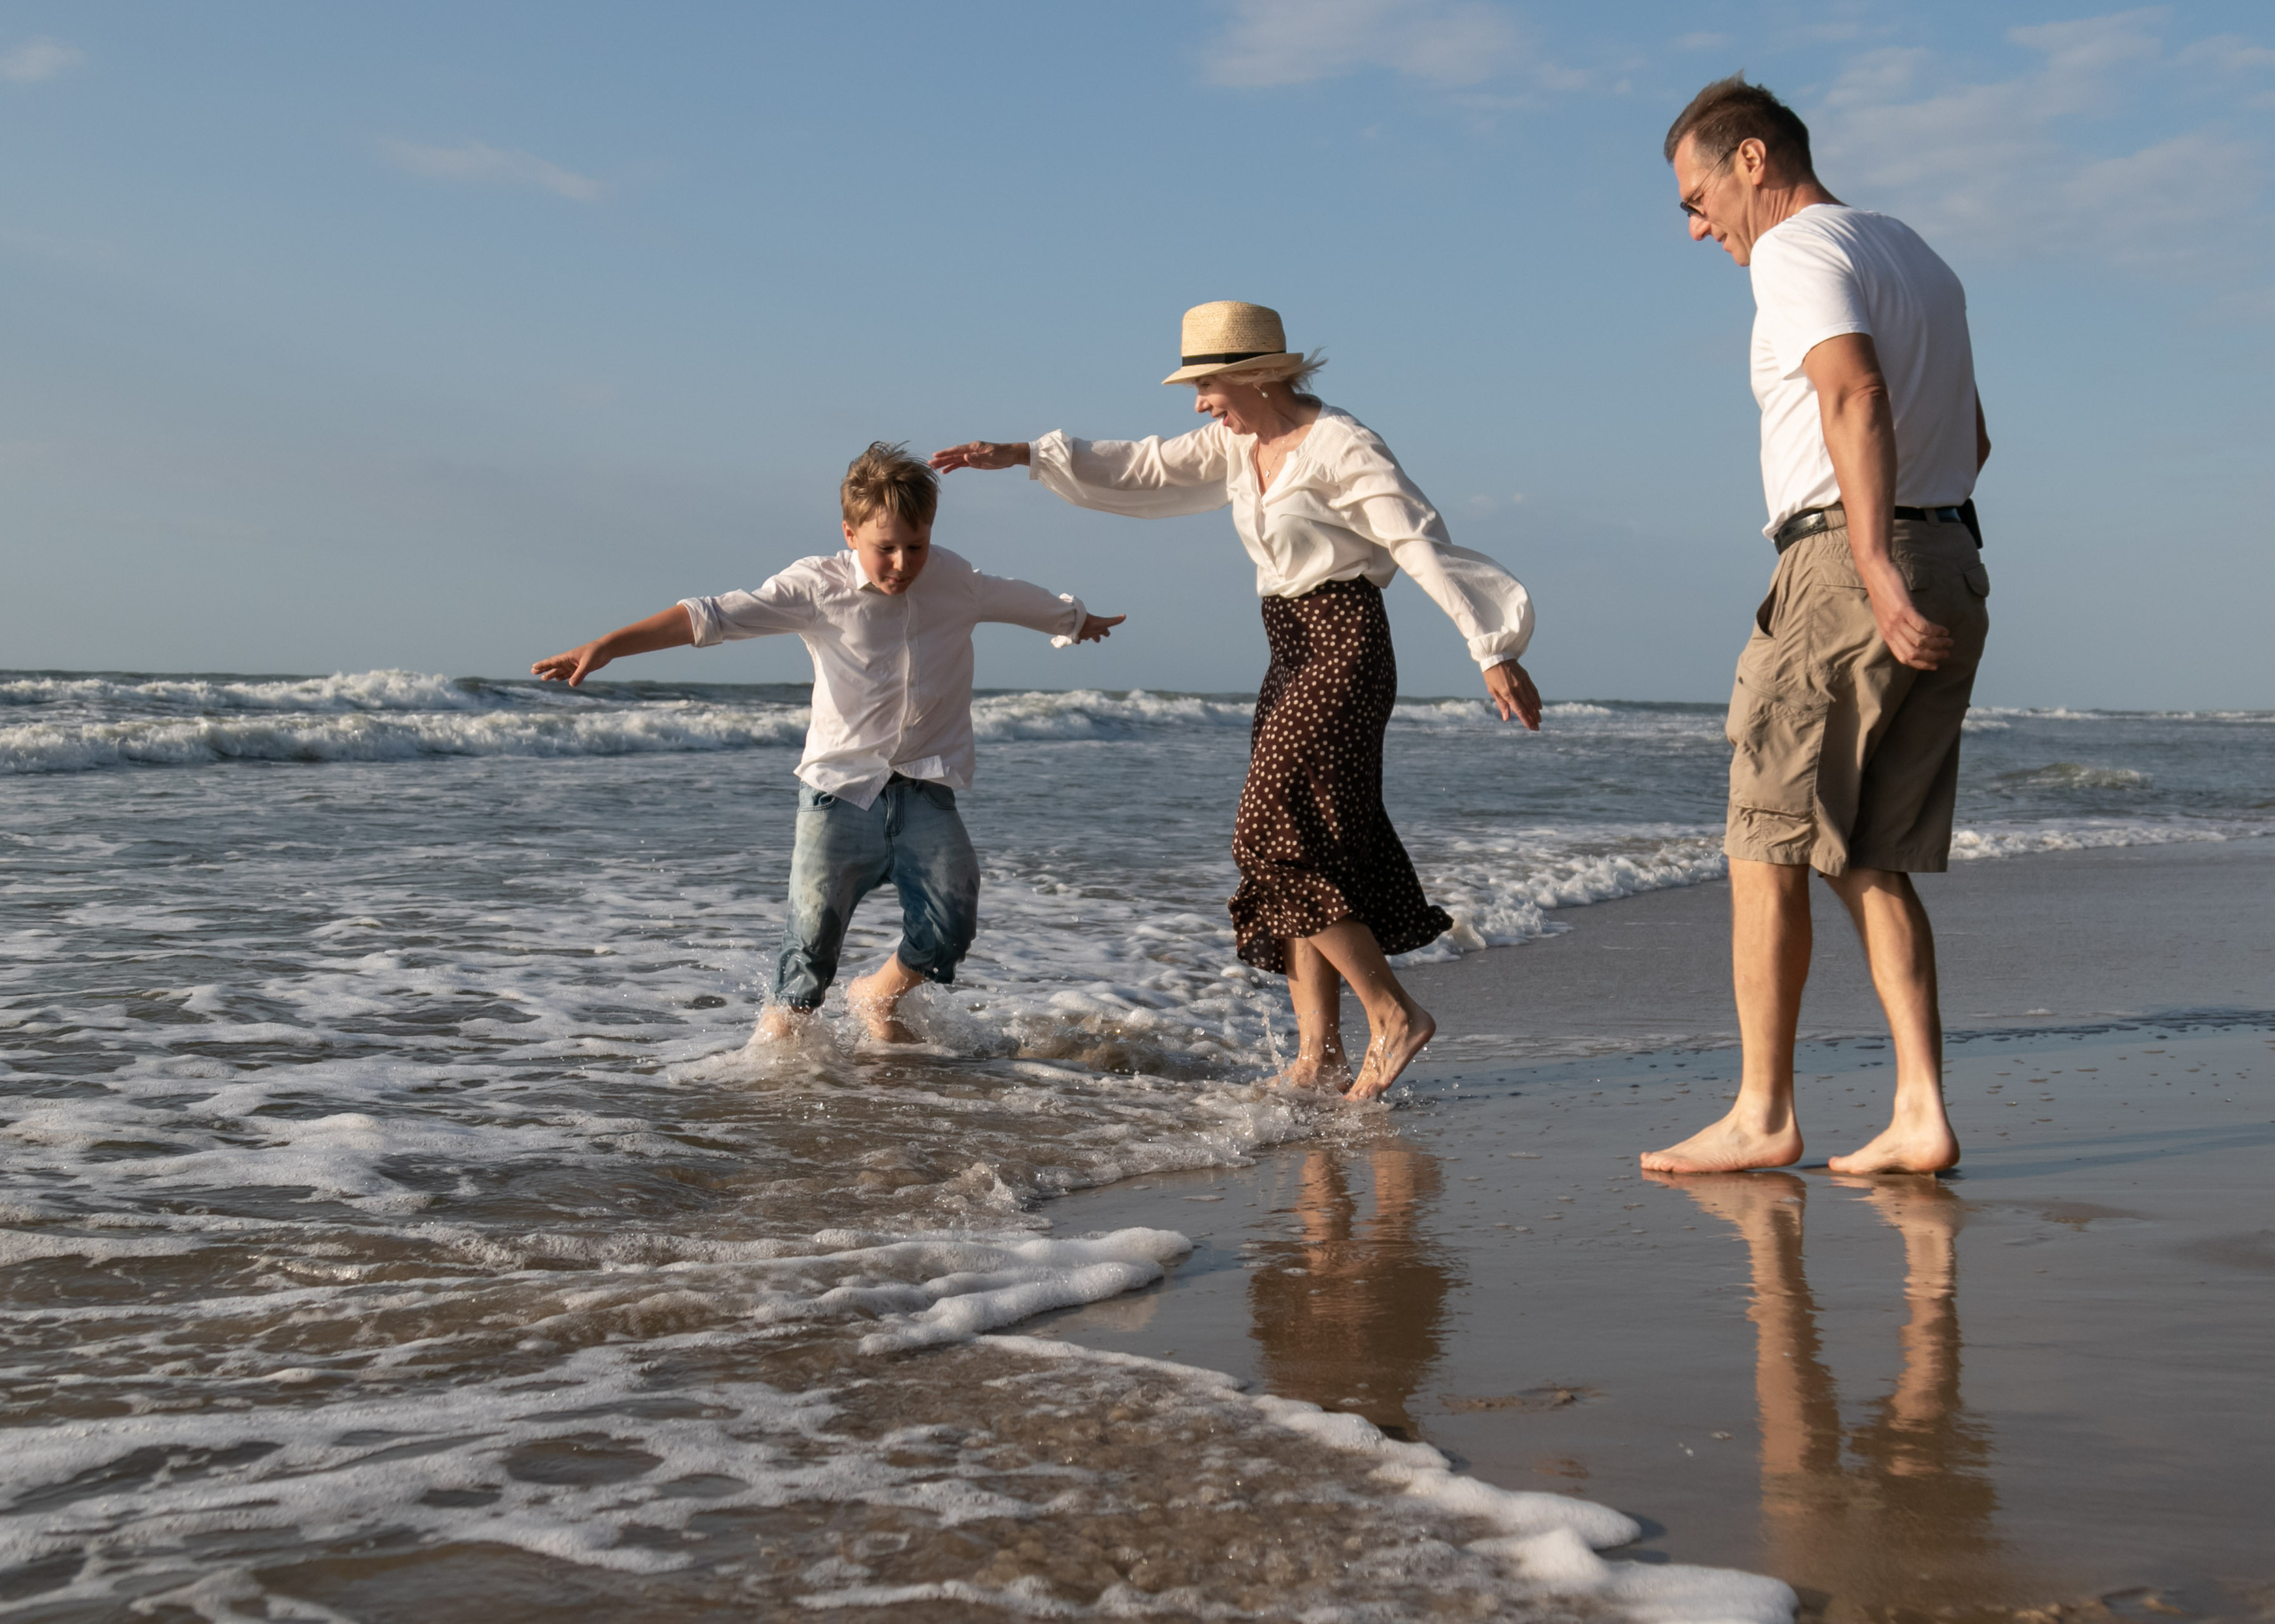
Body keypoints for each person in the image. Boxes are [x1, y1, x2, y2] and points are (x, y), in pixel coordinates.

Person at [931, 301, 1541, 1102]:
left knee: (1268, 830)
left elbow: (1415, 541)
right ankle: (1315, 1057)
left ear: (1256, 375)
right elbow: (1144, 465)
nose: (1198, 402)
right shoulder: (1236, 442)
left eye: (1207, 384)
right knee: (1309, 842)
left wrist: (1491, 649)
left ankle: (1394, 1017)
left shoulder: (1341, 444)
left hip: (1344, 644)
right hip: (1288, 647)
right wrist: (1022, 455)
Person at [1642, 77, 1993, 1176]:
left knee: (1767, 843)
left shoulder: (1797, 249)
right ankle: (1919, 1111)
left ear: (1753, 160)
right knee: (1873, 855)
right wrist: (1909, 555)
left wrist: (1872, 561)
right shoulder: (1913, 252)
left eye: (1697, 198)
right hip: (1953, 553)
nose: (1699, 228)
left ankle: (1762, 1112)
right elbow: (1974, 436)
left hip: (1850, 561)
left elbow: (1854, 395)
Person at [531, 442, 1123, 1043]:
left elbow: (1018, 597)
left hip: (925, 788)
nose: (900, 563)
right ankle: (778, 1059)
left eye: (914, 547)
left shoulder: (954, 580)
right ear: (850, 533)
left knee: (951, 923)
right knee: (810, 946)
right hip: (837, 793)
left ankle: (876, 995)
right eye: (883, 548)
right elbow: (712, 616)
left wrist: (1075, 621)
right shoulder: (817, 586)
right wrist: (606, 646)